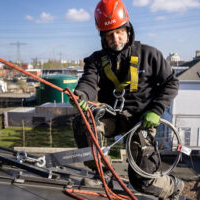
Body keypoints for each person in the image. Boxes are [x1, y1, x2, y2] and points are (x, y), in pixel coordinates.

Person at [71, 0, 184, 199]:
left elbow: (171, 83)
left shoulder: (150, 55)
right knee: (85, 122)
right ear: (103, 37)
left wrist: (156, 110)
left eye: (119, 32)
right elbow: (88, 81)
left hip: (142, 119)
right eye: (109, 35)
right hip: (113, 116)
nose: (116, 38)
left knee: (142, 181)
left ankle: (173, 187)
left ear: (128, 29)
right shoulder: (96, 60)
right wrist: (81, 94)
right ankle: (103, 174)